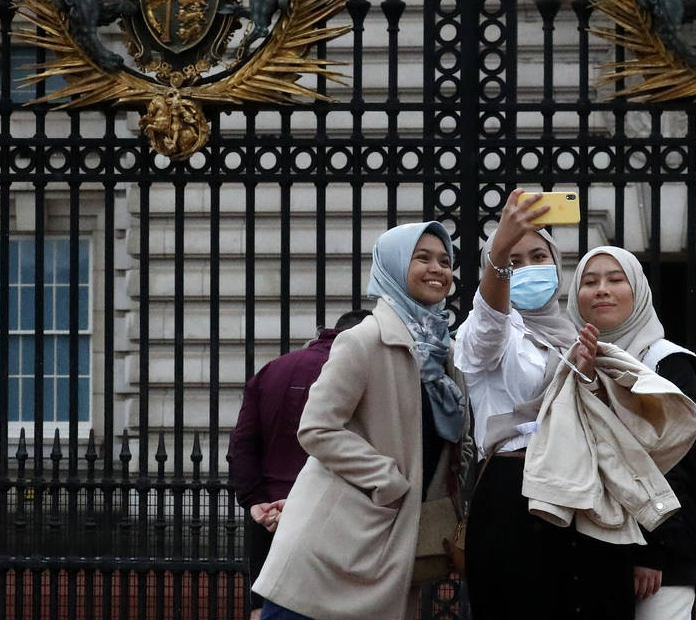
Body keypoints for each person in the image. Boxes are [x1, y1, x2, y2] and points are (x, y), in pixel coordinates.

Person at [251, 221, 465, 620]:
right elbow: (317, 427)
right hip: (332, 545)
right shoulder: (363, 340)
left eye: (444, 260)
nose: (438, 269)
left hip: (390, 543)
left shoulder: (442, 351)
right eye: (423, 258)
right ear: (393, 266)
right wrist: (387, 480)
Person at [454, 190, 635, 620]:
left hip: (580, 493)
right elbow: (489, 327)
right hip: (514, 494)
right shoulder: (486, 333)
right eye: (514, 262)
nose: (529, 268)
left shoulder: (574, 334)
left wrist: (586, 375)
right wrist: (500, 247)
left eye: (539, 256)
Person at [566, 246, 696, 620]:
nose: (602, 289)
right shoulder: (565, 362)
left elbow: (680, 459)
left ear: (638, 292)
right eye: (590, 281)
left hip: (658, 560)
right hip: (585, 554)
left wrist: (652, 552)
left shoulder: (664, 362)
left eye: (616, 280)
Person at [227, 308, 372, 620]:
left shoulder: (272, 369)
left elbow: (241, 445)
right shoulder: (362, 371)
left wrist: (258, 503)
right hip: (334, 516)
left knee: (263, 609)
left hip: (269, 517)